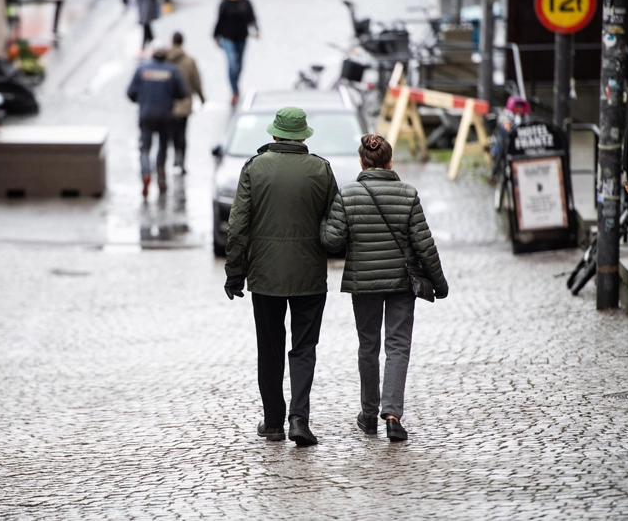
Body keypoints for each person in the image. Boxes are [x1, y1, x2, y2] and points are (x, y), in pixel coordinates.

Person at [320, 134, 448, 442]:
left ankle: (368, 414)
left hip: (363, 283)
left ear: (362, 162)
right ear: (390, 162)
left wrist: (325, 221)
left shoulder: (348, 194)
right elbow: (424, 244)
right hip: (402, 283)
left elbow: (331, 241)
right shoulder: (408, 194)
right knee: (398, 346)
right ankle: (392, 416)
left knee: (368, 346)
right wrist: (439, 284)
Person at [224, 107, 338, 446]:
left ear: (274, 134)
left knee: (270, 349)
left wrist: (235, 273)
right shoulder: (320, 169)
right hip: (310, 275)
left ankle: (273, 422)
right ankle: (299, 420)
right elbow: (334, 223)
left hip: (266, 275)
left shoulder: (255, 168)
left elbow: (238, 226)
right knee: (304, 348)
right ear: (303, 136)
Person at [126, 42, 187, 198]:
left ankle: (146, 173)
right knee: (163, 146)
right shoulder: (172, 70)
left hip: (146, 115)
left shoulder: (142, 69)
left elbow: (131, 92)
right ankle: (161, 174)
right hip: (166, 116)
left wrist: (143, 99)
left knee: (144, 148)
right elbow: (182, 92)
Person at [166, 32, 205, 176]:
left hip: (167, 104)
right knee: (182, 132)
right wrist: (201, 97)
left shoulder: (164, 59)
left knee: (170, 133)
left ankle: (174, 156)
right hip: (184, 104)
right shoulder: (189, 61)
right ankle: (181, 160)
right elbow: (196, 81)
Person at [213, 0, 259, 106]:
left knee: (239, 65)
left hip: (241, 37)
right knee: (232, 63)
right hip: (227, 38)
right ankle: (234, 91)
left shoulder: (245, 3)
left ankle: (235, 84)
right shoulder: (224, 3)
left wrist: (256, 30)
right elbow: (220, 20)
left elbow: (251, 18)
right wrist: (216, 35)